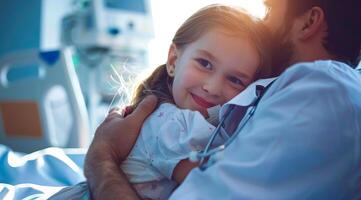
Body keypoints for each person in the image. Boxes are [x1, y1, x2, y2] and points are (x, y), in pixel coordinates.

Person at [85, 0, 361, 199]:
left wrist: (102, 158)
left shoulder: (321, 89)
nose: (262, 24)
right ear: (173, 59)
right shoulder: (292, 91)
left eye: (268, 10)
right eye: (205, 64)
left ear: (310, 22)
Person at [50, 4, 273, 200]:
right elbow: (217, 189)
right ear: (174, 60)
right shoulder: (173, 125)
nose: (212, 87)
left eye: (235, 80)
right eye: (204, 64)